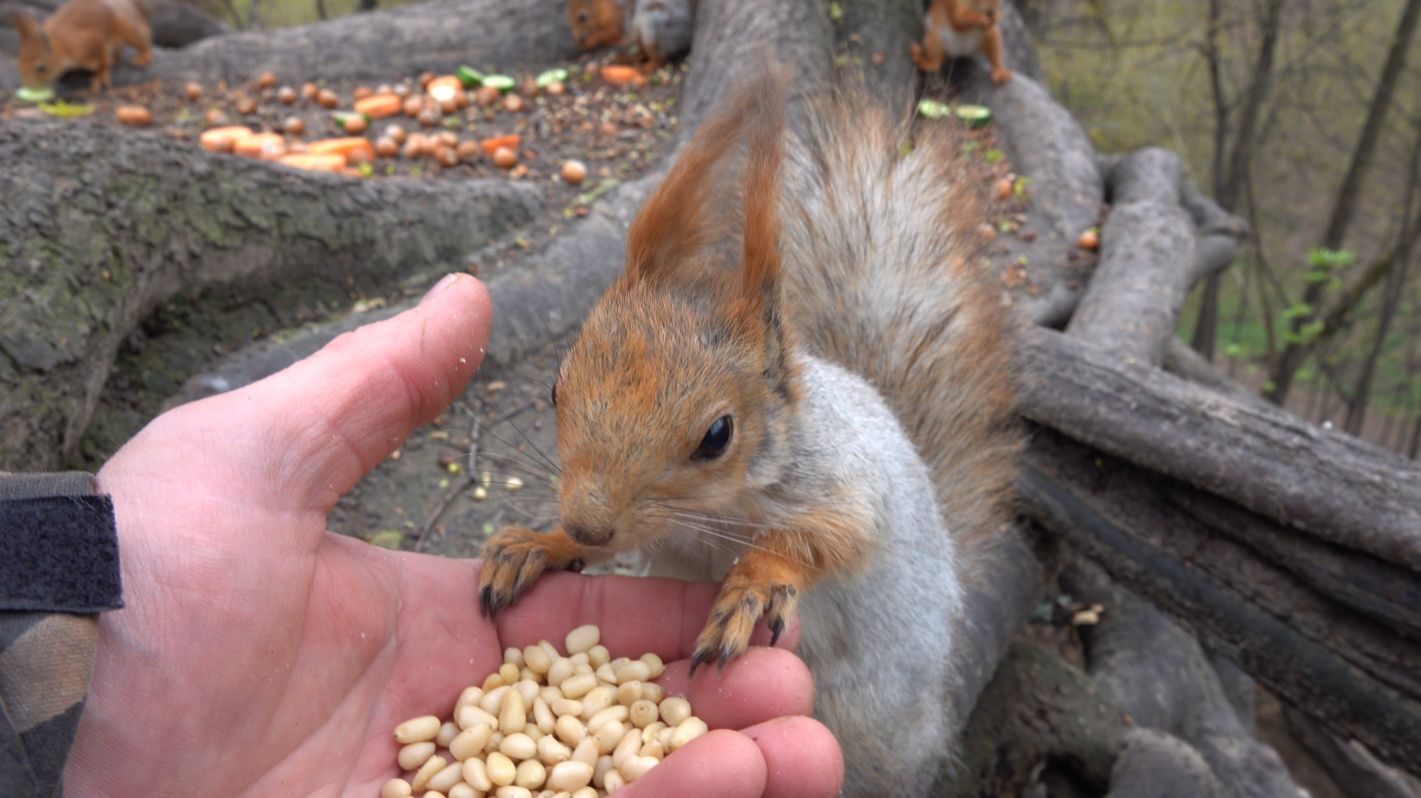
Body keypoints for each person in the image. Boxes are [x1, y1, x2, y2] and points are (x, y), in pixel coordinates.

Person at [0, 273, 843, 797]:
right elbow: (610, 514)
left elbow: (849, 522)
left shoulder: (805, 450)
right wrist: (562, 546)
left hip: (850, 640)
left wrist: (777, 559)